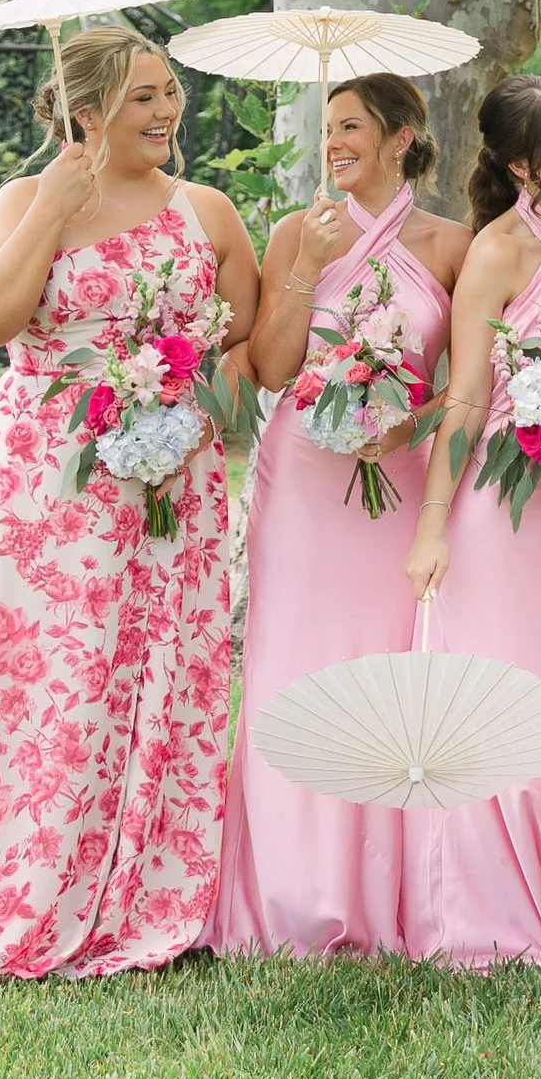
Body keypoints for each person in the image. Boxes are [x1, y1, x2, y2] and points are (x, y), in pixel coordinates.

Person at [0, 30, 257, 993]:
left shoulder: (207, 209)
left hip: (169, 484)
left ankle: (153, 892)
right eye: (144, 97)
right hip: (47, 483)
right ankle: (14, 890)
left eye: (171, 94)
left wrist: (183, 399)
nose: (167, 112)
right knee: (39, 682)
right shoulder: (26, 200)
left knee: (157, 675)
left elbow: (244, 344)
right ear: (85, 112)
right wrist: (52, 212)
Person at [213, 70, 469, 958]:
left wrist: (409, 422)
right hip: (303, 485)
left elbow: (468, 385)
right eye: (328, 129)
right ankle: (288, 893)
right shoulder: (296, 232)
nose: (335, 144)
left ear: (402, 138)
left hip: (393, 484)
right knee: (292, 666)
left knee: (381, 668)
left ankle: (380, 890)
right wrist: (309, 270)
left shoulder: (449, 244)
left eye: (352, 126)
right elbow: (274, 368)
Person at [401, 77, 541, 966]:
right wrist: (433, 525)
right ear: (523, 165)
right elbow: (461, 402)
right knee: (495, 693)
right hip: (496, 506)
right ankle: (481, 918)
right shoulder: (495, 252)